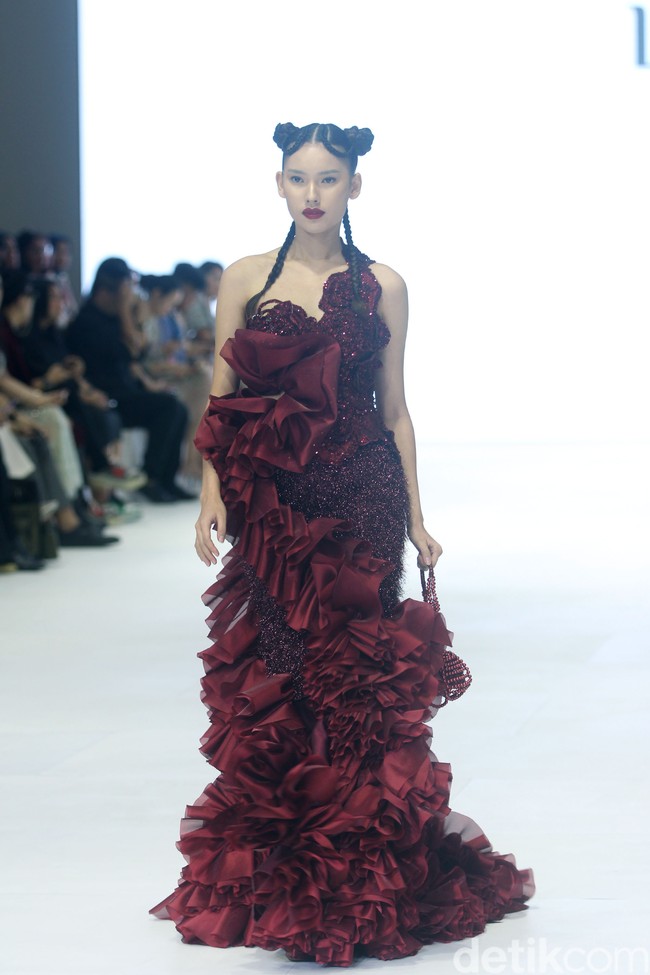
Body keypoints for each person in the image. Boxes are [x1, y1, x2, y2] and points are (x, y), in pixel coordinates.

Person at [150, 122, 535, 965]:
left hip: (362, 496)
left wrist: (418, 521)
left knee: (357, 681)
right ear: (279, 185)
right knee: (281, 667)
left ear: (355, 186)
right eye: (299, 177)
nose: (314, 191)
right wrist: (213, 494)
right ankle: (290, 860)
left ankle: (359, 870)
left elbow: (394, 409)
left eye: (330, 177)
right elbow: (223, 397)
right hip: (277, 508)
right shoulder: (246, 280)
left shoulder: (383, 286)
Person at [66, 258, 193, 503]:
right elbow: (131, 349)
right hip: (105, 395)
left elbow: (137, 352)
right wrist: (126, 309)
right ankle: (152, 479)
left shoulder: (114, 318)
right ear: (107, 290)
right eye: (125, 290)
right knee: (169, 407)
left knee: (176, 407)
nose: (131, 295)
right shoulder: (86, 322)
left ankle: (164, 479)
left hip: (125, 391)